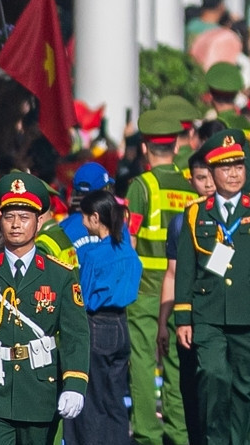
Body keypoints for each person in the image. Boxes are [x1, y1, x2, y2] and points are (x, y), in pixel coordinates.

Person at [0, 174, 88, 445]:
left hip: (40, 394)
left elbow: (76, 335)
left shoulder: (60, 275)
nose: (16, 225)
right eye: (9, 216)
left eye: (24, 217)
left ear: (39, 222)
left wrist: (75, 384)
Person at [170, 132, 250, 445]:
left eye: (238, 166)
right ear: (212, 173)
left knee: (246, 385)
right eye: (225, 167)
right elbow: (185, 269)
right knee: (211, 375)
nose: (233, 173)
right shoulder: (196, 212)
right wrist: (183, 317)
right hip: (207, 313)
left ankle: (240, 440)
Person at [127, 110, 199, 445]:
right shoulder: (190, 186)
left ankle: (147, 434)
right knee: (178, 360)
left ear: (144, 148)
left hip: (145, 288)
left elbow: (128, 240)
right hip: (182, 285)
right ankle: (180, 432)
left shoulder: (141, 186)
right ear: (175, 146)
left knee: (142, 360)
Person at [71, 187, 142, 445]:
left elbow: (85, 296)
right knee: (115, 395)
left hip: (97, 323)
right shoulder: (127, 249)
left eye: (84, 216)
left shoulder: (92, 254)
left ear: (95, 218)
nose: (81, 221)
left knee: (93, 396)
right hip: (122, 323)